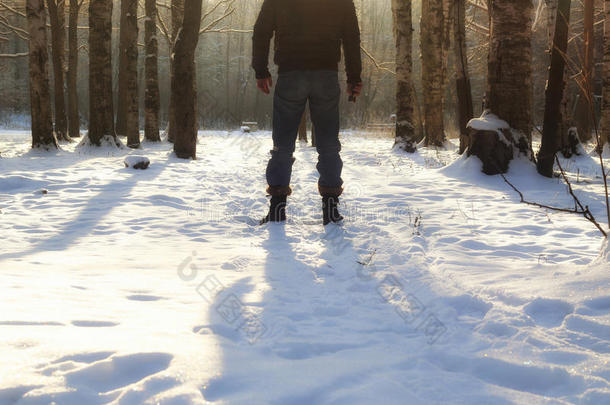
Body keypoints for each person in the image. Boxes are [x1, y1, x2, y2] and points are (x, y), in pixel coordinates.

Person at [252, 0, 363, 225]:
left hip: (291, 73)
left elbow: (261, 31)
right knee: (328, 142)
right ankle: (331, 209)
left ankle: (277, 209)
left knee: (282, 142)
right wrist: (354, 77)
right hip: (326, 73)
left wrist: (261, 70)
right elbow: (351, 37)